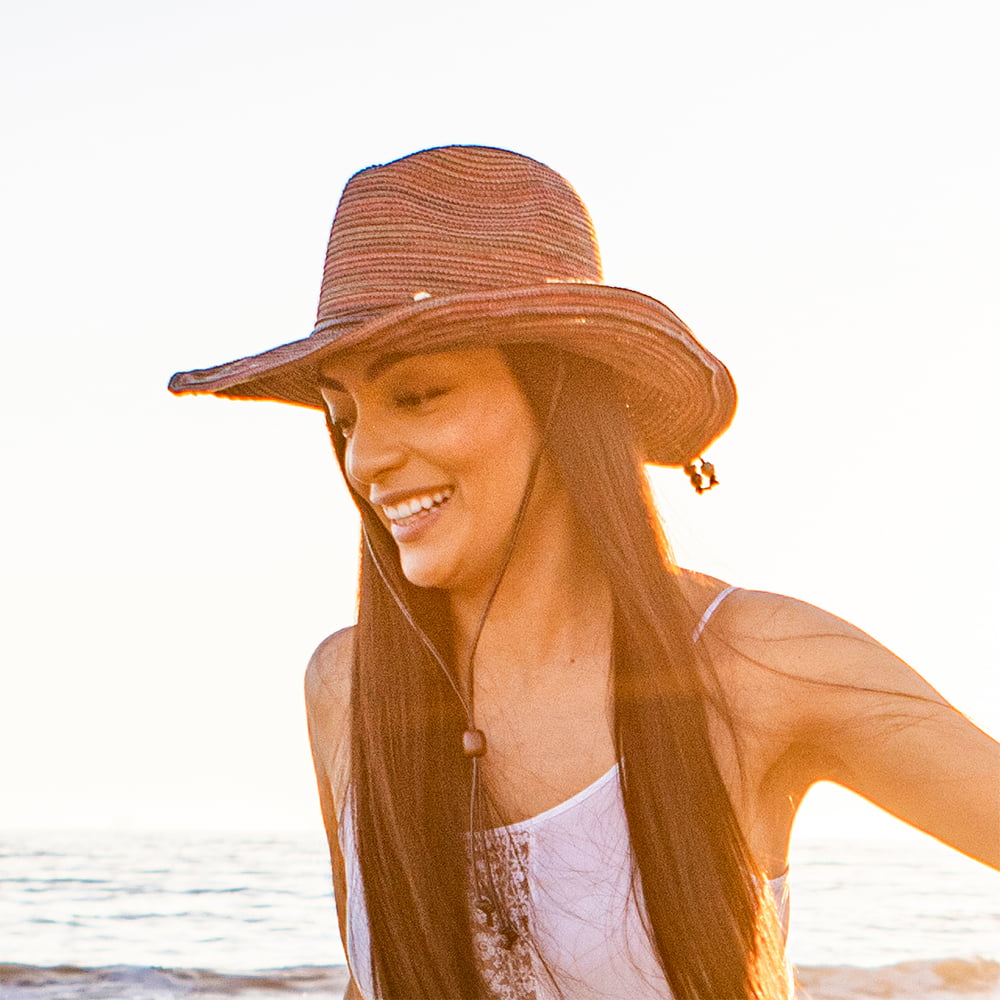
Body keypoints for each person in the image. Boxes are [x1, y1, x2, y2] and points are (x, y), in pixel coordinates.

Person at [169, 146, 1000, 1000]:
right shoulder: (347, 685)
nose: (366, 457)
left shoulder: (756, 661)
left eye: (419, 396)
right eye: (344, 419)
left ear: (558, 391)